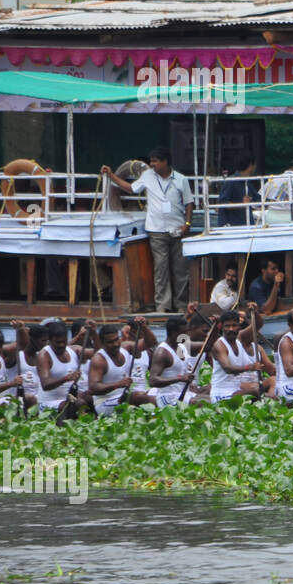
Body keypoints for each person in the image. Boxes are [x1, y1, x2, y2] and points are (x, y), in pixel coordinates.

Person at [102, 146, 193, 312]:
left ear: (165, 162)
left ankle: (180, 306)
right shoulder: (147, 176)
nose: (152, 165)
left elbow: (189, 203)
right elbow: (130, 188)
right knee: (161, 270)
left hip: (177, 229)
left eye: (155, 161)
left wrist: (187, 224)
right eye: (151, 161)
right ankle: (163, 306)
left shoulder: (181, 179)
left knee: (180, 270)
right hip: (156, 230)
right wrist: (111, 175)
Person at [87, 324, 156, 415]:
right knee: (139, 397)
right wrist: (117, 384)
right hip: (104, 403)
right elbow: (93, 388)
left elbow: (151, 343)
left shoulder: (126, 347)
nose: (115, 344)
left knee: (157, 394)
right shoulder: (99, 360)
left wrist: (144, 327)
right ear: (102, 343)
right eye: (110, 342)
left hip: (123, 396)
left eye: (116, 340)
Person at [210, 309, 274, 401]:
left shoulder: (239, 339)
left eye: (234, 325)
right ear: (222, 327)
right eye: (227, 326)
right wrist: (249, 367)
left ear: (239, 326)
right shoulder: (219, 345)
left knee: (268, 392)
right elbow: (228, 368)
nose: (231, 329)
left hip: (237, 390)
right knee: (254, 392)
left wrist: (254, 311)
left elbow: (258, 324)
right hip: (222, 394)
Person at [147, 315, 205, 406]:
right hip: (168, 397)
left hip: (184, 394)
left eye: (186, 332)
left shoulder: (181, 346)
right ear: (173, 333)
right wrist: (180, 379)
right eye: (183, 332)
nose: (186, 335)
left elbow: (208, 345)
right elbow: (153, 381)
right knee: (202, 404)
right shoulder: (162, 352)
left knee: (212, 401)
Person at [36, 320, 84, 413]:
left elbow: (97, 352)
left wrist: (93, 333)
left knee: (85, 399)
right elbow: (45, 384)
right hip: (47, 404)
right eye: (57, 342)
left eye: (64, 341)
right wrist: (66, 378)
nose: (61, 345)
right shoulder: (44, 355)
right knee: (70, 406)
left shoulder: (72, 350)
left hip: (68, 399)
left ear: (67, 338)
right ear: (49, 341)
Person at [217, 153, 258, 227]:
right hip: (232, 227)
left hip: (244, 225)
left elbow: (257, 197)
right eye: (255, 164)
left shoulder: (247, 181)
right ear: (250, 165)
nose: (256, 167)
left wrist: (272, 201)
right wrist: (242, 205)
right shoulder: (231, 181)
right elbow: (223, 203)